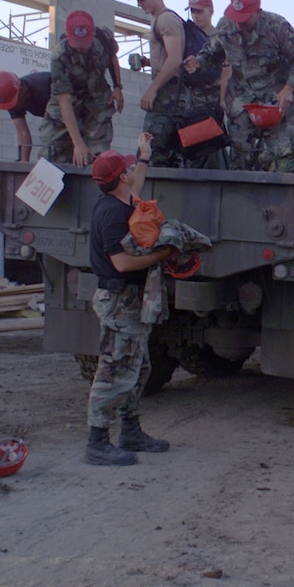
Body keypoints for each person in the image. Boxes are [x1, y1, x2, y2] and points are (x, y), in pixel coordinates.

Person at [84, 133, 174, 466]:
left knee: (138, 367)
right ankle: (97, 442)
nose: (132, 168)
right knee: (114, 368)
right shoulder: (111, 214)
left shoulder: (124, 201)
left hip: (131, 299)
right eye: (128, 166)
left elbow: (136, 189)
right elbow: (121, 263)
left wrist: (145, 154)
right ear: (121, 176)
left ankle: (131, 431)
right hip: (119, 299)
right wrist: (161, 254)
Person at [184, 0, 294, 172]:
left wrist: (289, 88)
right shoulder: (226, 26)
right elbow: (212, 52)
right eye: (236, 17)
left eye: (245, 18)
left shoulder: (276, 26)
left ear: (258, 13)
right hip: (243, 98)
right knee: (240, 154)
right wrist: (198, 62)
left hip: (276, 97)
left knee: (281, 156)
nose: (239, 24)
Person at [38, 10, 123, 167]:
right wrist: (77, 143)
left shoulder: (104, 38)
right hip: (70, 99)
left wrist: (118, 86)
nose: (81, 49)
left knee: (100, 156)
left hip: (96, 98)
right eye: (77, 44)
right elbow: (64, 101)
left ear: (92, 33)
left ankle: (101, 187)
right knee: (51, 151)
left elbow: (112, 56)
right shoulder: (59, 55)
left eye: (85, 43)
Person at [127, 0, 193, 167]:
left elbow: (174, 60)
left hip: (169, 94)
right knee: (166, 155)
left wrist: (152, 89)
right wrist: (148, 62)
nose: (139, 3)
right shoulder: (160, 20)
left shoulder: (166, 20)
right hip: (171, 93)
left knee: (150, 153)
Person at [0, 70, 51, 162]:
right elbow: (22, 131)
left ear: (22, 90)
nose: (14, 107)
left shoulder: (44, 86)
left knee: (51, 142)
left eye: (14, 103)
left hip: (72, 105)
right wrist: (24, 161)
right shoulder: (10, 95)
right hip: (53, 114)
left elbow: (65, 114)